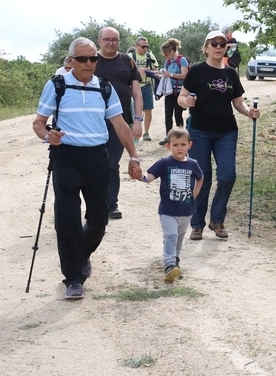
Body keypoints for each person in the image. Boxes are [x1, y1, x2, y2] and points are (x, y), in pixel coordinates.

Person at [32, 37, 143, 300]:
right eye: (82, 59)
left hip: (97, 157)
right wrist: (48, 136)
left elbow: (119, 125)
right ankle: (73, 278)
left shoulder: (104, 88)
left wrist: (134, 156)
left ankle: (79, 255)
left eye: (93, 58)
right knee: (67, 219)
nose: (89, 63)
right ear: (70, 61)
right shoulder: (57, 86)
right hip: (66, 157)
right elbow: (39, 123)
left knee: (99, 218)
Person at [178, 30, 261, 241]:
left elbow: (237, 102)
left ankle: (217, 219)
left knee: (227, 176)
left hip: (226, 131)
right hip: (199, 129)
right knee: (202, 178)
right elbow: (181, 97)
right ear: (206, 47)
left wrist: (248, 112)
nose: (218, 47)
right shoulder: (196, 71)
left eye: (222, 44)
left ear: (225, 47)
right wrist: (186, 102)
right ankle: (197, 224)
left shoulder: (231, 73)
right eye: (213, 43)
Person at [141, 127, 204, 282]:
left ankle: (175, 261)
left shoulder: (193, 164)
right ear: (168, 146)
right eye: (175, 145)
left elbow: (200, 178)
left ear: (190, 145)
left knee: (180, 237)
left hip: (186, 210)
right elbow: (149, 178)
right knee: (171, 235)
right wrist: (139, 176)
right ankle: (169, 264)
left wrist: (193, 195)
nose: (179, 148)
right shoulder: (164, 163)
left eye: (183, 144)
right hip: (168, 211)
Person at [95, 27, 143, 220]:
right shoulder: (91, 61)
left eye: (114, 39)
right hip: (94, 121)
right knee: (95, 162)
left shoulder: (127, 61)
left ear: (119, 41)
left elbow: (137, 93)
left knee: (111, 162)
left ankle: (110, 204)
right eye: (106, 39)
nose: (110, 43)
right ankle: (96, 203)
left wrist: (138, 120)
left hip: (121, 122)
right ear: (99, 40)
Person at [158, 38, 190, 146]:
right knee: (168, 114)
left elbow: (185, 75)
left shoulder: (182, 60)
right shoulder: (167, 61)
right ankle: (168, 137)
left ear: (171, 51)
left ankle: (181, 136)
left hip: (180, 91)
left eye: (166, 54)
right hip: (169, 91)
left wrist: (170, 75)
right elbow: (166, 74)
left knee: (177, 113)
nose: (166, 57)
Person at [128, 36, 159, 141]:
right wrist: (138, 71)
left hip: (147, 85)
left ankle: (146, 133)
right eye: (143, 46)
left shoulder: (150, 56)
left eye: (147, 46)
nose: (145, 49)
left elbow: (156, 71)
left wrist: (148, 72)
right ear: (136, 46)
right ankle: (133, 133)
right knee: (134, 110)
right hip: (133, 87)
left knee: (148, 110)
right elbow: (124, 72)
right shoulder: (129, 57)